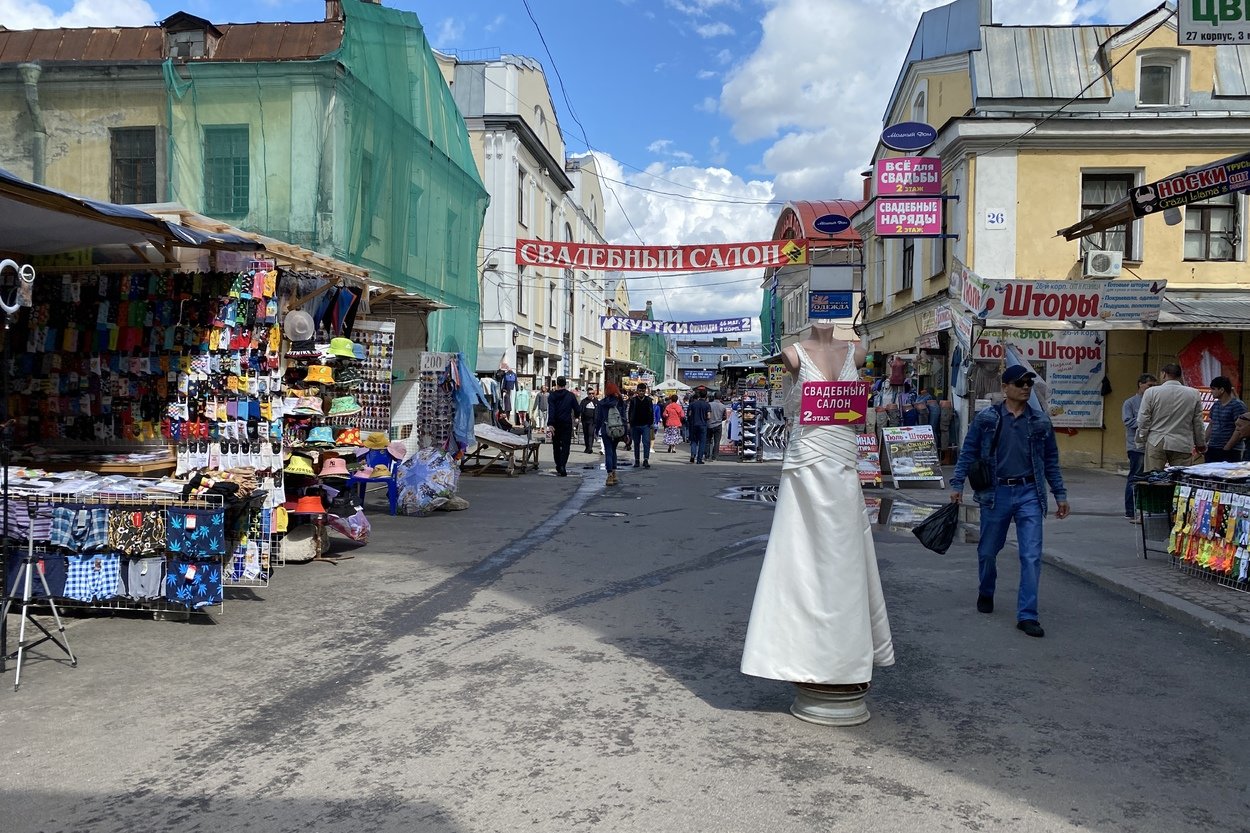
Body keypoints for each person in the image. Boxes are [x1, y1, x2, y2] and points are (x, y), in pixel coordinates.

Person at [741, 325, 894, 719]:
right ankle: (800, 654)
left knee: (845, 561)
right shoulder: (793, 353)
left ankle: (843, 657)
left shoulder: (856, 351)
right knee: (800, 559)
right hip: (807, 462)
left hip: (842, 462)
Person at [950, 365, 1070, 639]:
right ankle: (986, 589)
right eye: (1019, 383)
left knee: (1031, 555)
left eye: (1029, 383)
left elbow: (1051, 461)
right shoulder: (988, 419)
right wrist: (957, 484)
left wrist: (1060, 494)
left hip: (1030, 492)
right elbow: (968, 452)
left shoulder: (1039, 421)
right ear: (1005, 387)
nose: (1026, 387)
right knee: (988, 551)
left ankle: (1027, 615)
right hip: (996, 493)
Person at [1136, 363, 1205, 471]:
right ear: (1180, 376)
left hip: (1156, 440)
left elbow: (1143, 419)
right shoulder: (1193, 393)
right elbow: (1198, 422)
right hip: (1182, 442)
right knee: (1180, 479)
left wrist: (1143, 438)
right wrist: (1200, 443)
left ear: (1164, 374)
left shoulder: (1151, 392)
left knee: (1153, 478)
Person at [1122, 374, 1157, 521]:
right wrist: (1144, 423)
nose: (1151, 389)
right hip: (1136, 446)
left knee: (1149, 478)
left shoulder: (1155, 402)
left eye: (1154, 386)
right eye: (1149, 386)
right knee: (1135, 478)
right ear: (1140, 385)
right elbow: (1128, 422)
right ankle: (1130, 510)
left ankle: (1145, 510)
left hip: (1152, 445)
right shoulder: (1130, 403)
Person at [1204, 375, 1246, 463]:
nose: (1211, 392)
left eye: (1213, 389)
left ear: (1222, 390)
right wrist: (1204, 442)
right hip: (1212, 448)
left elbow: (1239, 429)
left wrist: (1227, 448)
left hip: (1230, 451)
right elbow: (1211, 425)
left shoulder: (1237, 405)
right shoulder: (1216, 405)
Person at [594, 383, 628, 486]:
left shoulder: (601, 403)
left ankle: (609, 475)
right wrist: (626, 432)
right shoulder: (620, 402)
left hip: (606, 429)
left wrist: (596, 430)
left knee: (608, 451)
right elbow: (624, 418)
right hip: (618, 429)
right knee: (613, 450)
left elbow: (599, 418)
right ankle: (614, 473)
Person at [546, 376, 580, 477]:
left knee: (556, 445)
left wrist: (550, 424)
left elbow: (551, 410)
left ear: (557, 384)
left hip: (556, 423)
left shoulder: (552, 396)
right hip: (566, 423)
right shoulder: (570, 396)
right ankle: (563, 465)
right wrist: (577, 417)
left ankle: (558, 464)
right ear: (565, 384)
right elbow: (577, 409)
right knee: (566, 445)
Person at [629, 383, 654, 469]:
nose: (641, 393)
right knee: (636, 443)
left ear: (645, 391)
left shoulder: (649, 400)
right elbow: (630, 412)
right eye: (640, 391)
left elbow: (651, 412)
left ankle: (646, 460)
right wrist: (630, 423)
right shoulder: (633, 400)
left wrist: (651, 423)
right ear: (637, 391)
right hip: (635, 425)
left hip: (645, 425)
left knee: (646, 442)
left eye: (643, 391)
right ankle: (636, 460)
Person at [686, 388, 711, 464]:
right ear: (706, 396)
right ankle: (699, 459)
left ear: (699, 395)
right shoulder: (707, 405)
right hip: (703, 425)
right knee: (702, 442)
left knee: (694, 441)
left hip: (694, 424)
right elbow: (709, 416)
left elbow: (689, 414)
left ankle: (693, 455)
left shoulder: (692, 404)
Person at [707, 393, 727, 461]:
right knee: (717, 441)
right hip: (718, 425)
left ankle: (707, 455)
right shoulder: (723, 406)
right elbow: (725, 417)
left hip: (709, 424)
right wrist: (720, 419)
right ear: (720, 397)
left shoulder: (709, 404)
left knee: (708, 441)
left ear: (714, 397)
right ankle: (714, 456)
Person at [580, 387, 599, 454]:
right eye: (589, 393)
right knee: (586, 434)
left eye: (592, 393)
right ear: (587, 394)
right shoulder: (584, 401)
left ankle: (590, 448)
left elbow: (599, 411)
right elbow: (581, 410)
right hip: (585, 420)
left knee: (591, 433)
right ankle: (587, 447)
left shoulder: (596, 402)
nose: (591, 395)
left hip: (592, 421)